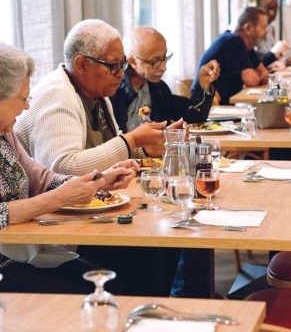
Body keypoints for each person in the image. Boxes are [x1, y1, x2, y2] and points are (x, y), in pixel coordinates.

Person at [0, 43, 179, 295]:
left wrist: (100, 181)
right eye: (22, 99)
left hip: (27, 251)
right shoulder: (58, 98)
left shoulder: (5, 133)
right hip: (8, 263)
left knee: (121, 281)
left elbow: (41, 178)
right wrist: (58, 198)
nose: (27, 107)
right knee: (108, 286)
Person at [15, 19, 173, 175]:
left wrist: (144, 149)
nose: (121, 73)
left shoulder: (98, 93)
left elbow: (105, 151)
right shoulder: (58, 96)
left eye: (123, 64)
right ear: (82, 64)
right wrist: (132, 140)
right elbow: (61, 169)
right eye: (113, 65)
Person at [111, 27, 220, 132]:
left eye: (165, 58)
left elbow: (194, 116)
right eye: (155, 61)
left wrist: (203, 86)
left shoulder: (158, 89)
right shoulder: (113, 91)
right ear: (133, 62)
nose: (163, 67)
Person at [192, 7, 269, 104]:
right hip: (210, 106)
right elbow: (252, 81)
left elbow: (265, 74)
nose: (266, 31)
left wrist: (259, 76)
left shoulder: (246, 45)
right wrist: (258, 76)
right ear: (248, 28)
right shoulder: (233, 40)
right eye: (264, 27)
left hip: (224, 104)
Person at [256, 0, 290, 68]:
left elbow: (271, 57)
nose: (272, 13)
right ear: (258, 8)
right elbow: (256, 62)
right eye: (268, 8)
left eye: (275, 9)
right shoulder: (253, 31)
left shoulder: (271, 28)